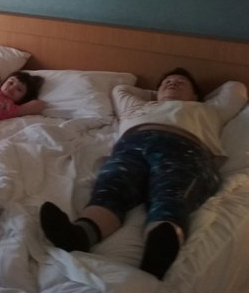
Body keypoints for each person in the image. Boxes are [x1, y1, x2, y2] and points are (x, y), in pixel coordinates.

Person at [39, 67, 229, 280]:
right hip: (133, 145)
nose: (172, 84)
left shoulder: (208, 109)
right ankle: (80, 235)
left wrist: (189, 98)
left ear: (195, 95)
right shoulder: (138, 107)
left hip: (184, 148)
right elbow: (120, 89)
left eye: (181, 83)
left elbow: (235, 90)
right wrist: (155, 96)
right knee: (112, 186)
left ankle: (159, 250)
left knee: (172, 190)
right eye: (166, 82)